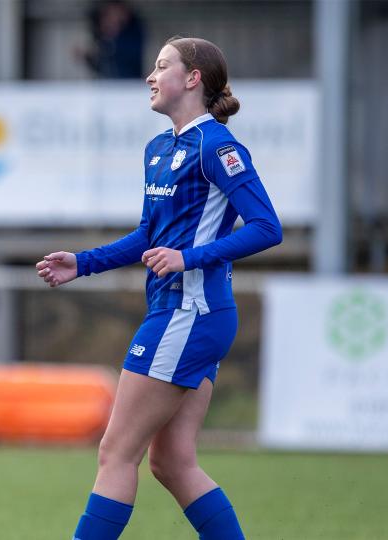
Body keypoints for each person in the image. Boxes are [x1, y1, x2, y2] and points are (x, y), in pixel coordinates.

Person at [37, 37, 282, 540]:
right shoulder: (158, 149)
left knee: (115, 452)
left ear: (192, 79)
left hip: (190, 312)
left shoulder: (216, 146)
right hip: (187, 314)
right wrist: (82, 263)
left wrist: (188, 257)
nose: (150, 76)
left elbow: (266, 227)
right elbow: (149, 237)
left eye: (162, 66)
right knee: (171, 461)